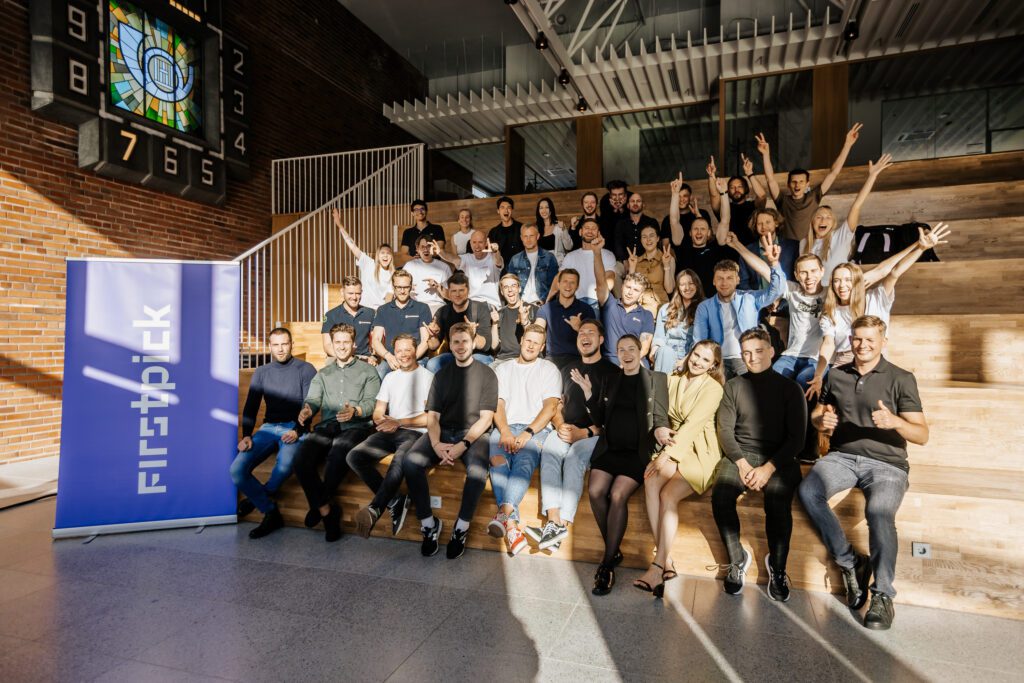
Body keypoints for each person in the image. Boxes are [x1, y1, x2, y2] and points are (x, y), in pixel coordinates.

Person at [800, 315, 928, 630]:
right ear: (850, 339)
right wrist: (820, 421)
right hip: (842, 456)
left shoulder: (901, 378)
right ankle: (850, 561)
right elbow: (821, 411)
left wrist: (896, 422)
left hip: (887, 462)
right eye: (857, 338)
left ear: (883, 341)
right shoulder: (837, 374)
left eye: (870, 339)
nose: (863, 345)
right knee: (807, 491)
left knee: (879, 512)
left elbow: (922, 434)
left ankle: (883, 595)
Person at [571, 334, 671, 595]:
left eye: (631, 348)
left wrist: (661, 430)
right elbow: (601, 417)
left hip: (636, 454)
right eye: (621, 350)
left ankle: (607, 565)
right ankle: (612, 550)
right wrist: (589, 394)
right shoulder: (611, 378)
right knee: (595, 491)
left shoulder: (656, 379)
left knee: (617, 494)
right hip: (609, 449)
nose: (626, 353)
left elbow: (661, 415)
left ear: (640, 350)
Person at [712, 328, 806, 600]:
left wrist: (768, 469)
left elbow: (796, 439)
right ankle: (736, 559)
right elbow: (725, 431)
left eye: (758, 351)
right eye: (746, 353)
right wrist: (742, 464)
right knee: (721, 496)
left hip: (779, 457)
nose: (752, 358)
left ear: (772, 352)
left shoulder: (791, 389)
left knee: (777, 502)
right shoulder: (733, 386)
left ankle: (777, 567)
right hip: (741, 453)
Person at [807, 224, 950, 399]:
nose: (841, 285)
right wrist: (818, 375)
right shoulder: (830, 311)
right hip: (843, 360)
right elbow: (828, 344)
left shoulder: (876, 298)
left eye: (847, 280)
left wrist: (920, 248)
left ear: (857, 281)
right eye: (837, 281)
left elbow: (893, 272)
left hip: (875, 357)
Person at [635, 341, 725, 596]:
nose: (697, 362)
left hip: (699, 451)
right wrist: (661, 435)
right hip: (672, 443)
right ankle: (667, 559)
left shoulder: (713, 389)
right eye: (695, 355)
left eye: (705, 360)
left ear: (713, 366)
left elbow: (693, 426)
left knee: (668, 495)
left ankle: (656, 566)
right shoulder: (672, 380)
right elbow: (658, 413)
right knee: (651, 480)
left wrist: (666, 456)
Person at [402, 323, 498, 559]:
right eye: (456, 342)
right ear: (450, 345)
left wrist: (462, 445)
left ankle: (461, 528)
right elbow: (432, 417)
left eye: (465, 341)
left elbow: (486, 419)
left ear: (473, 342)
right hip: (443, 431)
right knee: (410, 462)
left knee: (477, 472)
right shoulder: (441, 375)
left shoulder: (487, 374)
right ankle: (428, 524)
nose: (461, 346)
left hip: (473, 434)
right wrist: (435, 444)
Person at [527, 319, 617, 551]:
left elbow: (612, 417)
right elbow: (558, 405)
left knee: (575, 458)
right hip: (566, 429)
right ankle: (553, 522)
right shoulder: (567, 369)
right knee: (549, 451)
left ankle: (562, 524)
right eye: (581, 333)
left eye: (591, 333)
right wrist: (559, 425)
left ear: (601, 340)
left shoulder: (612, 372)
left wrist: (585, 432)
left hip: (594, 435)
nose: (585, 336)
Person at [292, 324, 381, 542]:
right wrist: (307, 410)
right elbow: (313, 399)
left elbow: (372, 403)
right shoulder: (323, 374)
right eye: (337, 342)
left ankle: (321, 509)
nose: (341, 347)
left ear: (354, 344)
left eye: (345, 342)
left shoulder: (368, 371)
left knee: (337, 455)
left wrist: (356, 411)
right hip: (327, 426)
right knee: (301, 460)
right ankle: (326, 508)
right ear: (331, 344)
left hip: (357, 427)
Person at [232, 328, 317, 539]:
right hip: (269, 427)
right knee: (236, 470)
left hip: (294, 428)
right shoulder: (262, 372)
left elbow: (310, 405)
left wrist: (298, 431)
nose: (280, 349)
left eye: (284, 344)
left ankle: (257, 498)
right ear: (270, 346)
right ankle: (270, 511)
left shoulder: (305, 369)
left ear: (292, 344)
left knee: (286, 465)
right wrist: (246, 435)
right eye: (276, 345)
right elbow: (251, 406)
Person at [348, 334, 433, 539]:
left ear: (416, 351)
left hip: (416, 432)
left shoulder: (429, 377)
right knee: (353, 456)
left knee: (399, 460)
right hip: (391, 429)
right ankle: (395, 500)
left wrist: (399, 422)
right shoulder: (390, 377)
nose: (403, 355)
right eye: (399, 350)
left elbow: (431, 418)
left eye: (407, 350)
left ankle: (375, 508)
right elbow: (378, 410)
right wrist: (381, 419)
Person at [487, 325, 561, 556]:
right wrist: (506, 431)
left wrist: (527, 432)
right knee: (497, 460)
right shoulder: (505, 369)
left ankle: (504, 513)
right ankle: (511, 524)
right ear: (521, 340)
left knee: (524, 462)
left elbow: (550, 407)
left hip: (536, 429)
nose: (530, 345)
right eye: (527, 340)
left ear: (542, 347)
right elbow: (498, 404)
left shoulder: (549, 369)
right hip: (507, 426)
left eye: (536, 343)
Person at [728, 239, 826, 391]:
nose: (809, 277)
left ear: (822, 271)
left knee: (803, 380)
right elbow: (764, 271)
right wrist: (739, 246)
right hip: (791, 355)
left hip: (816, 358)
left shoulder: (830, 293)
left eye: (813, 271)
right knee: (769, 379)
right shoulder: (793, 289)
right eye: (803, 272)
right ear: (796, 275)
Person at [692, 235, 786, 378]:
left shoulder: (750, 298)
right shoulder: (705, 307)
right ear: (713, 281)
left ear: (738, 280)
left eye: (730, 278)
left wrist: (774, 264)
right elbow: (700, 340)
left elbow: (777, 290)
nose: (724, 283)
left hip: (745, 359)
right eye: (720, 278)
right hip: (718, 361)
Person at [756, 124, 861, 241]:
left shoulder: (814, 196)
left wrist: (847, 145)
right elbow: (770, 179)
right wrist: (765, 155)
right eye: (794, 182)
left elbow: (833, 173)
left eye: (801, 181)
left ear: (807, 184)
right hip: (787, 248)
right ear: (788, 185)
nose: (797, 185)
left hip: (809, 246)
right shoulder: (782, 200)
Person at [802, 154, 894, 283]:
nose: (823, 220)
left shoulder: (840, 235)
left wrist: (872, 176)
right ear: (812, 221)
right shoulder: (803, 243)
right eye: (819, 217)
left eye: (828, 217)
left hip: (836, 295)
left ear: (833, 223)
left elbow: (856, 206)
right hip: (812, 299)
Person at [593, 236, 655, 366]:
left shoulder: (646, 315)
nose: (630, 292)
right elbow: (600, 282)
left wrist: (628, 361)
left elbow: (644, 346)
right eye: (628, 287)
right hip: (611, 362)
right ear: (621, 287)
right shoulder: (609, 304)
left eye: (636, 290)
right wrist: (597, 253)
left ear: (641, 294)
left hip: (635, 361)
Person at [668, 175, 730, 293]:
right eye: (695, 229)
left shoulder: (716, 247)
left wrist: (724, 193)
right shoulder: (683, 246)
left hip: (710, 302)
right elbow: (674, 221)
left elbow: (725, 220)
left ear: (709, 233)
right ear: (690, 233)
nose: (699, 232)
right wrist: (675, 194)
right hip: (688, 300)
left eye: (703, 229)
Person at [425, 271, 495, 373]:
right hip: (455, 355)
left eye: (461, 290)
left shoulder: (480, 308)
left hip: (478, 354)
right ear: (449, 292)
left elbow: (486, 345)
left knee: (479, 362)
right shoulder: (443, 312)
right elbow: (433, 346)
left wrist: (473, 334)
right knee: (432, 365)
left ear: (468, 291)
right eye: (453, 291)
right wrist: (432, 335)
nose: (457, 294)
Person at [370, 270, 432, 379]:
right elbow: (376, 340)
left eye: (406, 287)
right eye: (399, 287)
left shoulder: (422, 308)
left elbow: (425, 341)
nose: (402, 291)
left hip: (416, 358)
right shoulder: (383, 310)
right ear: (393, 287)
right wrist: (388, 357)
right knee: (378, 375)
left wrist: (411, 358)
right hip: (391, 359)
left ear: (411, 287)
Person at [332, 208, 394, 309]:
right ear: (377, 256)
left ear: (391, 257)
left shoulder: (392, 274)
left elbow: (389, 297)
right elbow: (352, 245)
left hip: (379, 312)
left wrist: (383, 314)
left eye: (388, 253)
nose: (385, 256)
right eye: (382, 253)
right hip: (362, 309)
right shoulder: (369, 263)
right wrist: (339, 225)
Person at [535, 268, 596, 369]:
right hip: (551, 360)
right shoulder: (546, 308)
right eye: (565, 281)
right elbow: (537, 330)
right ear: (558, 284)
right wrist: (525, 322)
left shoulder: (586, 309)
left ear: (577, 286)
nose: (568, 286)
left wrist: (579, 328)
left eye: (572, 282)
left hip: (577, 360)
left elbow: (595, 341)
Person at [559, 217, 617, 315]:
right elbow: (560, 279)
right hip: (573, 302)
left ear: (598, 233)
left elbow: (610, 278)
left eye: (594, 228)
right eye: (587, 228)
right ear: (580, 232)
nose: (590, 231)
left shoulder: (608, 254)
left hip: (596, 302)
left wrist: (601, 293)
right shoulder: (570, 256)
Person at [650, 269, 704, 373]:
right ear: (678, 288)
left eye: (691, 283)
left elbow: (700, 341)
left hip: (691, 357)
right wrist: (655, 349)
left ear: (697, 285)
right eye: (682, 284)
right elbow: (659, 337)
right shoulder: (666, 309)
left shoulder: (704, 308)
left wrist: (685, 360)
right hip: (666, 357)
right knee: (665, 351)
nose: (687, 288)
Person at [434, 230, 503, 308]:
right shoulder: (467, 258)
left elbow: (498, 261)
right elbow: (453, 259)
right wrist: (440, 252)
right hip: (472, 304)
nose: (477, 246)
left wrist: (496, 251)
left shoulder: (492, 257)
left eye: (480, 242)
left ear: (486, 243)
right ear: (470, 243)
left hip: (491, 304)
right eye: (474, 242)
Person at [706, 154, 762, 247]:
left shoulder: (754, 205)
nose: (736, 189)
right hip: (729, 252)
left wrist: (750, 173)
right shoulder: (724, 207)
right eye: (732, 187)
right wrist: (712, 176)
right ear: (727, 190)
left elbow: (762, 196)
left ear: (746, 189)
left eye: (740, 186)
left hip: (752, 251)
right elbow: (714, 195)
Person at [738, 208, 799, 290]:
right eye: (759, 223)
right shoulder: (747, 250)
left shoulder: (792, 246)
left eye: (768, 222)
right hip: (758, 299)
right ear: (755, 226)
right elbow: (743, 282)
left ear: (776, 223)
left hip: (786, 298)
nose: (764, 226)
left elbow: (798, 275)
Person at [321, 276, 377, 365]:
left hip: (364, 358)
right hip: (338, 357)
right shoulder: (331, 315)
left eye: (358, 293)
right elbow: (327, 345)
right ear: (342, 292)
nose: (354, 297)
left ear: (361, 293)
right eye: (350, 293)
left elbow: (375, 340)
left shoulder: (370, 313)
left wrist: (373, 356)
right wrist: (346, 357)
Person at [492, 274, 542, 364]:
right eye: (506, 287)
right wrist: (494, 323)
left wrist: (524, 321)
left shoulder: (533, 310)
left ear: (519, 289)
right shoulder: (499, 314)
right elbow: (494, 346)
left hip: (527, 359)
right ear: (502, 292)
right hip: (503, 360)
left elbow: (536, 340)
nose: (510, 290)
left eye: (513, 286)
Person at [626, 227, 675, 316]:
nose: (648, 240)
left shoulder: (668, 259)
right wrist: (632, 267)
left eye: (651, 236)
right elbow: (630, 289)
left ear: (657, 238)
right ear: (641, 240)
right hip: (639, 308)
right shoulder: (636, 260)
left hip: (660, 308)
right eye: (644, 237)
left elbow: (669, 289)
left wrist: (666, 265)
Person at [506, 224, 558, 306]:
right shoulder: (515, 259)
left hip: (541, 304)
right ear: (521, 238)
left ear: (537, 236)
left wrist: (543, 301)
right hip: (520, 304)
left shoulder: (549, 257)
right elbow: (509, 284)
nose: (528, 240)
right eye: (525, 236)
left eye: (531, 236)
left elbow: (554, 285)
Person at [403, 235, 453, 315]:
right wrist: (407, 289)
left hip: (437, 306)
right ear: (417, 249)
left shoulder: (444, 267)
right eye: (422, 247)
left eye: (428, 246)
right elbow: (399, 289)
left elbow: (451, 296)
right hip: (415, 306)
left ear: (433, 248)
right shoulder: (409, 266)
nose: (426, 249)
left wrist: (438, 287)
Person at [662, 174, 713, 247]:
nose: (681, 200)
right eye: (678, 196)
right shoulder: (667, 220)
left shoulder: (703, 213)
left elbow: (710, 238)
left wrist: (698, 216)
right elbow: (665, 245)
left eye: (685, 196)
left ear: (690, 197)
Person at [613, 192, 661, 262]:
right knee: (616, 270)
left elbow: (657, 243)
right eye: (632, 201)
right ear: (628, 205)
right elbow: (618, 245)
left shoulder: (652, 222)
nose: (635, 203)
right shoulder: (621, 224)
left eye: (638, 201)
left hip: (647, 260)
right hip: (625, 261)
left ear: (643, 205)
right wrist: (625, 260)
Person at [536, 197, 574, 264]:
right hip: (541, 265)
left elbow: (569, 246)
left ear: (551, 210)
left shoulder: (559, 227)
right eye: (541, 208)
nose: (544, 210)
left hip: (557, 264)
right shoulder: (536, 228)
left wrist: (564, 229)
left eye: (547, 207)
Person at [488, 196, 524, 266]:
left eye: (509, 208)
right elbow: (491, 254)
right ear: (498, 211)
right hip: (500, 269)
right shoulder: (493, 232)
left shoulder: (521, 228)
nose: (506, 210)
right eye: (502, 207)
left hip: (520, 267)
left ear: (512, 210)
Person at [598, 180, 629, 244]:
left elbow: (631, 221)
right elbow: (605, 224)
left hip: (628, 236)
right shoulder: (605, 200)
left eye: (620, 194)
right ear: (610, 194)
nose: (617, 198)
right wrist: (615, 209)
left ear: (625, 194)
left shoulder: (632, 199)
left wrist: (621, 209)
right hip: (610, 237)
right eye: (614, 195)